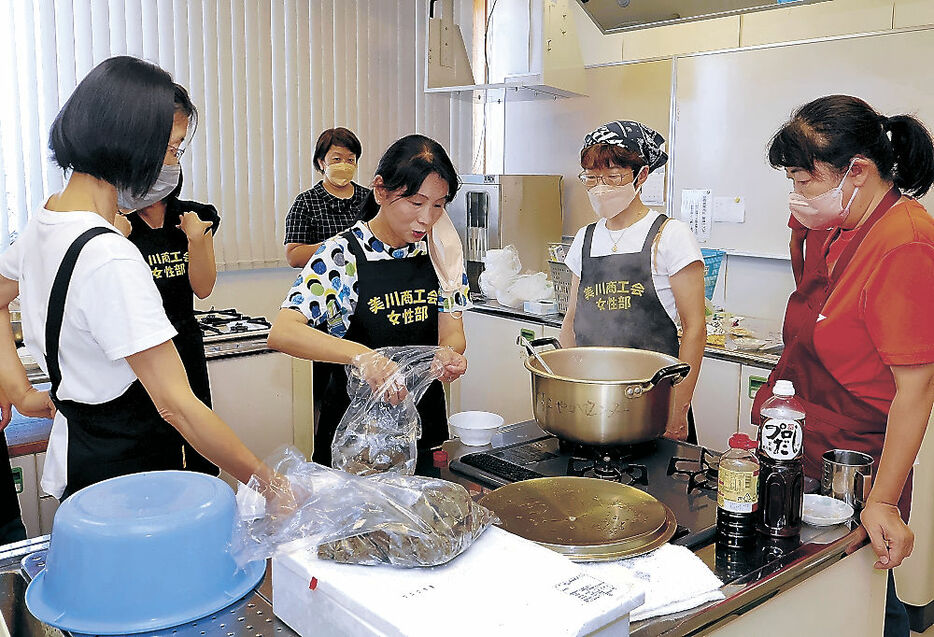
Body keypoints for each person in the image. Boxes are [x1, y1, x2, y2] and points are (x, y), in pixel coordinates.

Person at [0, 56, 277, 500]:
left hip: (79, 461)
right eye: (171, 148)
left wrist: (20, 390)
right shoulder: (109, 255)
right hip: (130, 479)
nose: (172, 164)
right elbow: (178, 407)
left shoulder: (46, 222)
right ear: (130, 143)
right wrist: (274, 485)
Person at [753, 95, 934, 637]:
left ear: (857, 171)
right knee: (813, 592)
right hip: (798, 434)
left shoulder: (905, 244)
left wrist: (881, 501)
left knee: (860, 591)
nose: (796, 195)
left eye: (805, 181)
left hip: (853, 461)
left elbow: (918, 387)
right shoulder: (834, 221)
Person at [269, 134, 470, 472]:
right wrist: (363, 358)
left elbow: (452, 331)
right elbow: (283, 332)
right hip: (357, 437)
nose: (427, 218)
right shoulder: (343, 254)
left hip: (424, 428)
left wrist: (448, 354)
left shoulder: (442, 252)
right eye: (416, 203)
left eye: (439, 205)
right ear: (381, 190)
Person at [560, 120, 706, 443]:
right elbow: (571, 323)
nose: (601, 189)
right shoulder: (585, 239)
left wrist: (678, 409)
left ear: (641, 176)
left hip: (655, 408)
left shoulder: (671, 236)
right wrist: (566, 391)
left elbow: (695, 328)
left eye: (613, 178)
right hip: (593, 407)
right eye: (592, 178)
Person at [117, 170, 221, 476]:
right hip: (140, 346)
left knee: (198, 433)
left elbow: (203, 288)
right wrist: (115, 238)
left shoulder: (194, 216)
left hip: (184, 339)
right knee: (152, 445)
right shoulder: (117, 223)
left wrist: (196, 239)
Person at [284, 127, 370, 268]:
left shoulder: (368, 198)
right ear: (321, 162)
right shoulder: (306, 202)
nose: (344, 165)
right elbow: (293, 256)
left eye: (350, 160)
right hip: (325, 282)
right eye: (337, 159)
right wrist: (338, 245)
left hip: (365, 280)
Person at [788, 214, 832, 286]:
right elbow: (795, 244)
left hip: (847, 280)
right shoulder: (805, 204)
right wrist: (800, 286)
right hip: (814, 283)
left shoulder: (854, 206)